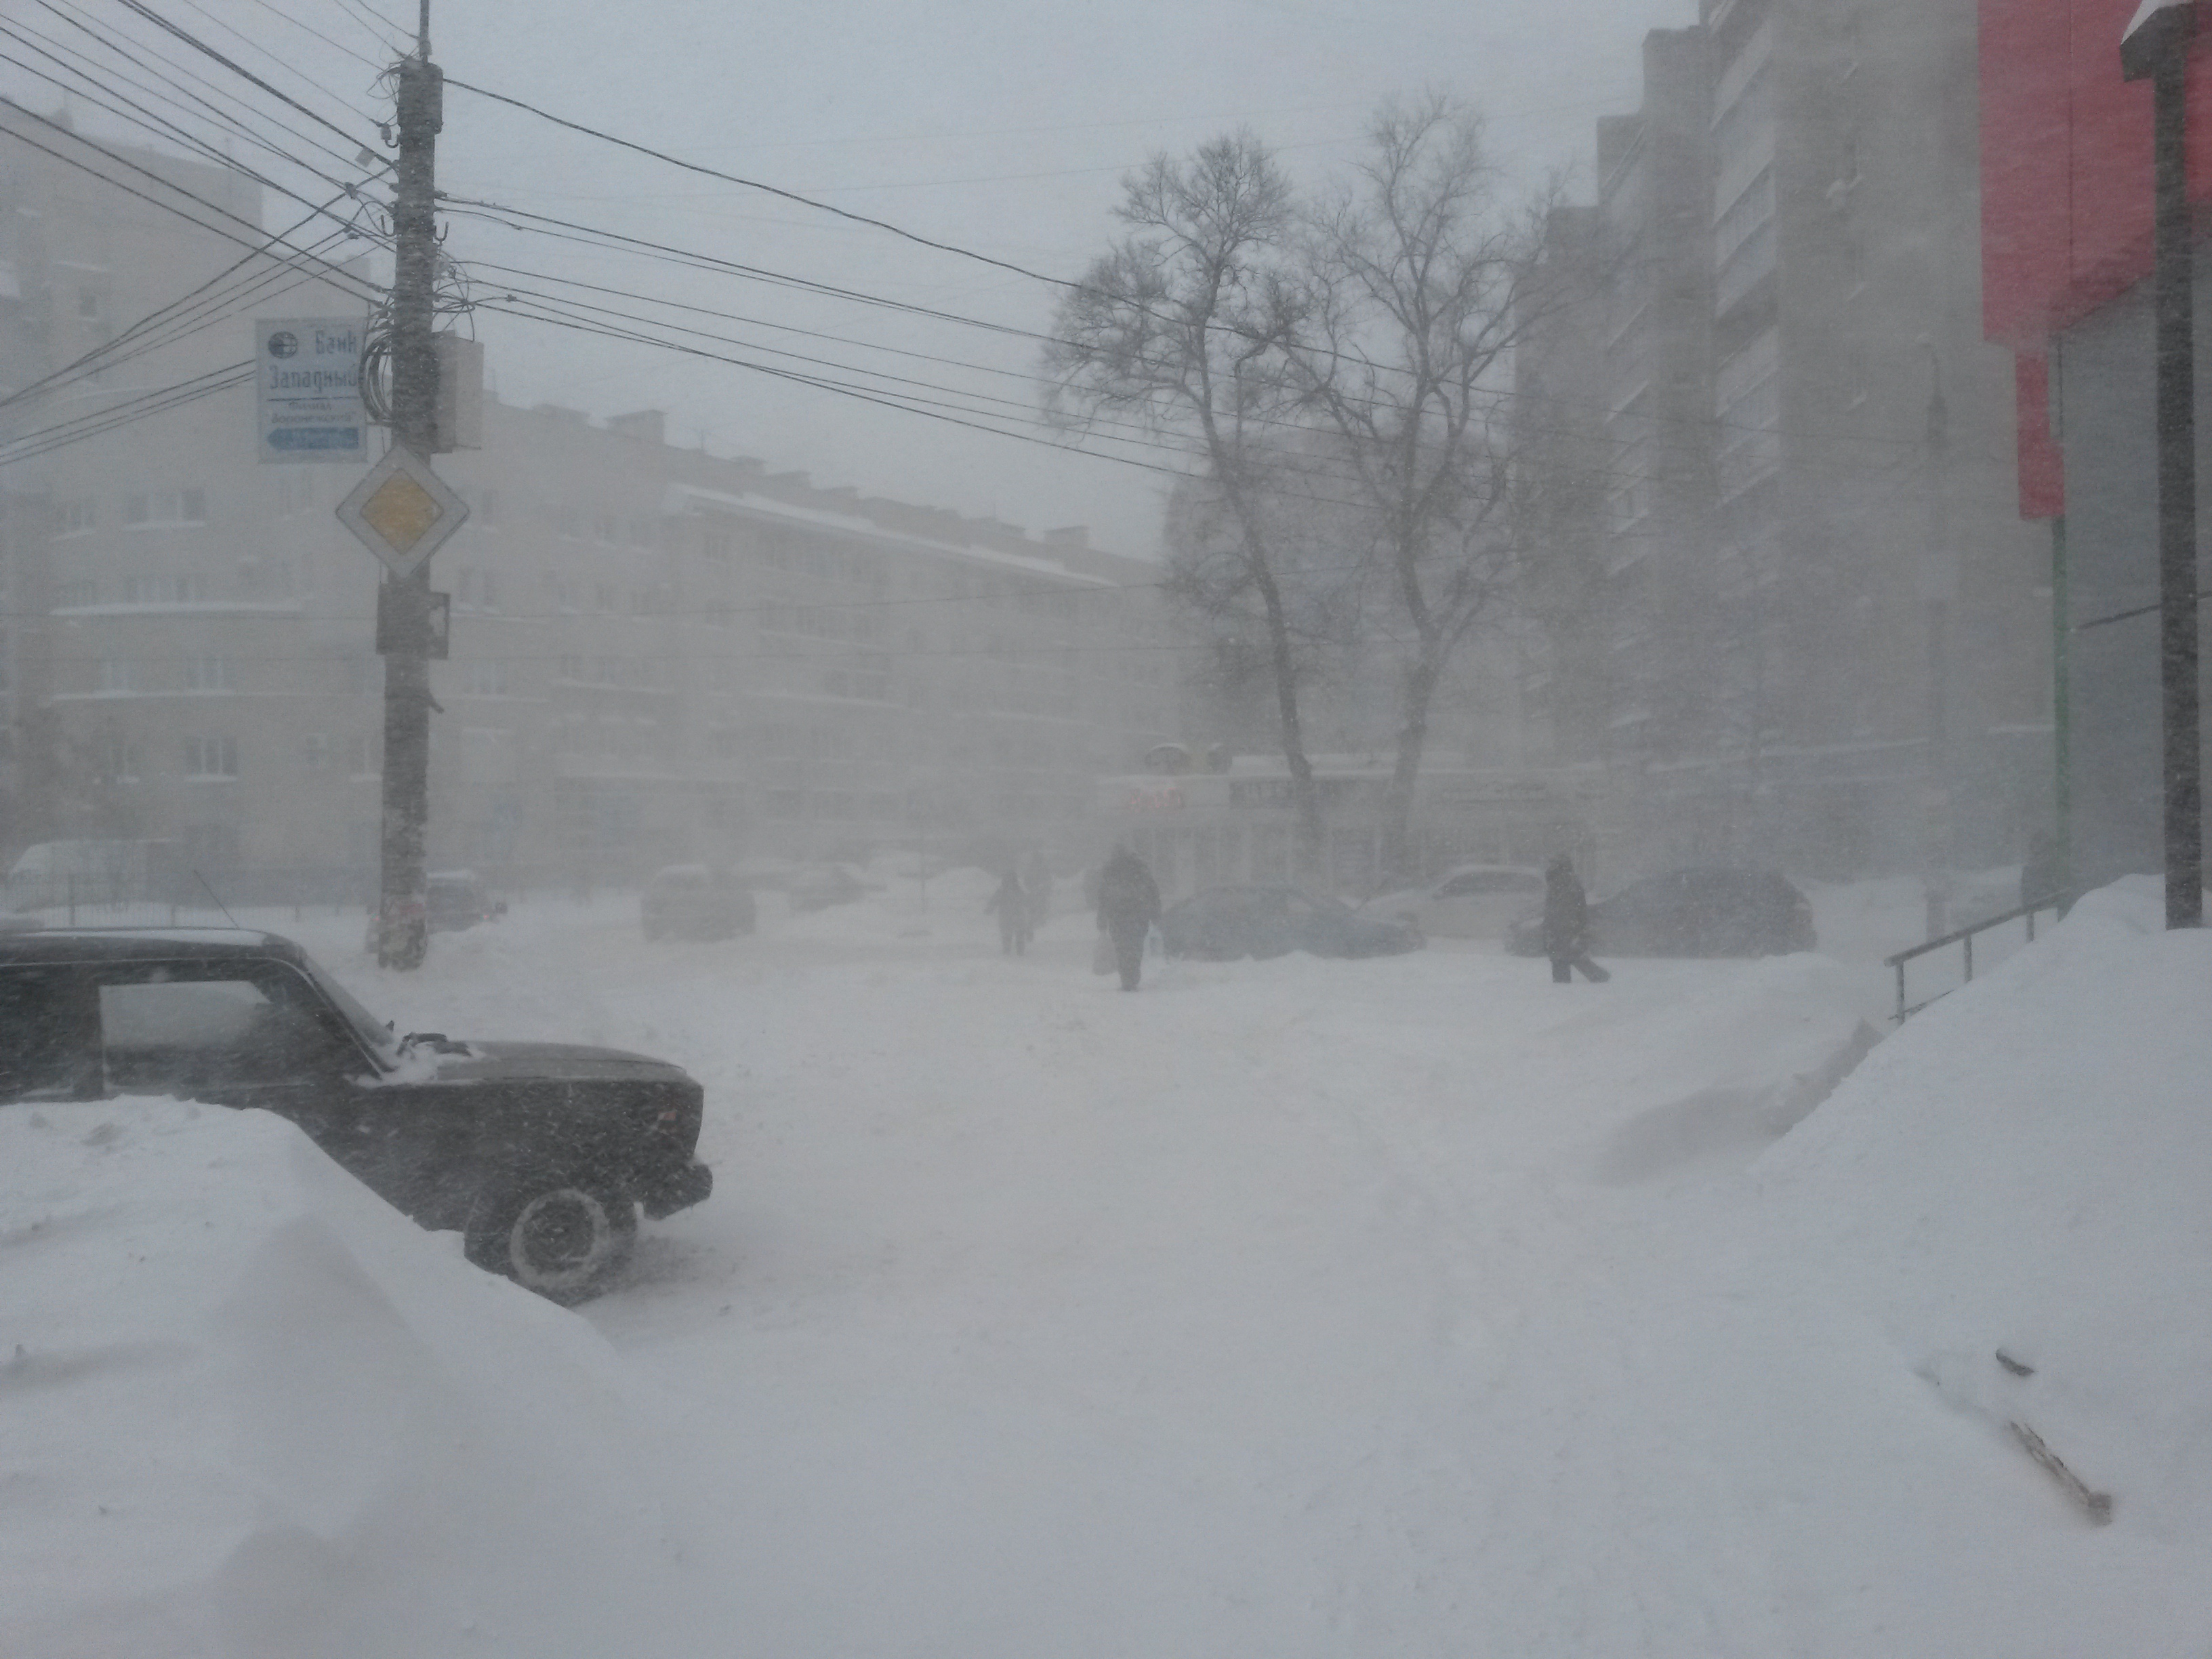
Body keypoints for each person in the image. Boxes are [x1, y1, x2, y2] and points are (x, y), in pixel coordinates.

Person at [1094, 843, 1161, 991]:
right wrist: (1155, 914)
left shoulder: (1111, 870)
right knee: (1136, 945)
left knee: (1121, 947)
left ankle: (1127, 977)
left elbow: (1103, 897)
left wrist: (1102, 921)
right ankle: (1133, 973)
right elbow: (1152, 891)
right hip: (1139, 913)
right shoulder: (1140, 868)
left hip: (1118, 915)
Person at [1541, 854, 1610, 984]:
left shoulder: (1565, 882)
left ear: (1561, 866)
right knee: (1565, 956)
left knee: (1564, 956)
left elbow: (1567, 909)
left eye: (1553, 864)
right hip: (1562, 927)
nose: (1550, 866)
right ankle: (1596, 977)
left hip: (1564, 927)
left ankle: (1565, 986)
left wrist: (1563, 928)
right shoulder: (1559, 881)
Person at [985, 867, 1031, 955]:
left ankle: (1009, 952)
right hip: (1017, 915)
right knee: (1018, 934)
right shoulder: (1018, 891)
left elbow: (994, 901)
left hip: (1006, 915)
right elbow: (1026, 901)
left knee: (1009, 934)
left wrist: (989, 909)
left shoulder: (1002, 891)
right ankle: (1018, 952)